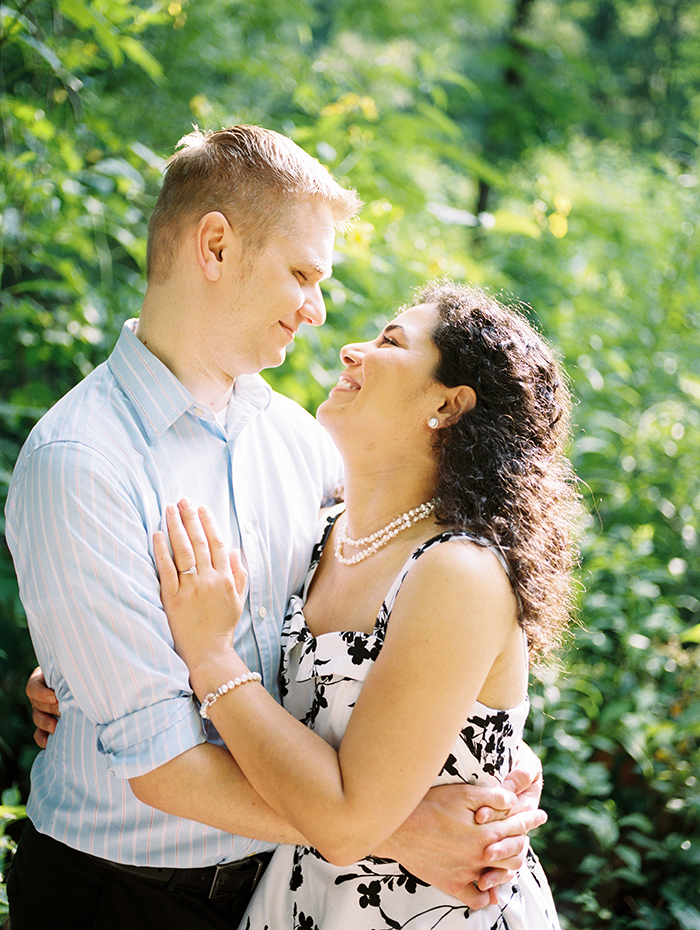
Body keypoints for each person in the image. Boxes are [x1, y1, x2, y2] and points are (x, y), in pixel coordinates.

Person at [6, 127, 545, 930]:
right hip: (119, 895)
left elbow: (403, 631)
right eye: (301, 273)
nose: (319, 309)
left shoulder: (304, 443)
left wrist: (493, 752)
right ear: (215, 246)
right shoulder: (80, 460)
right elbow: (162, 765)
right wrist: (399, 832)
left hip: (276, 890)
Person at [154, 281, 579, 929]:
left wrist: (210, 658)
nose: (353, 349)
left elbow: (348, 822)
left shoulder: (458, 570)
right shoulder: (324, 527)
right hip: (297, 898)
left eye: (390, 341)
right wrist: (77, 680)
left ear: (447, 402)